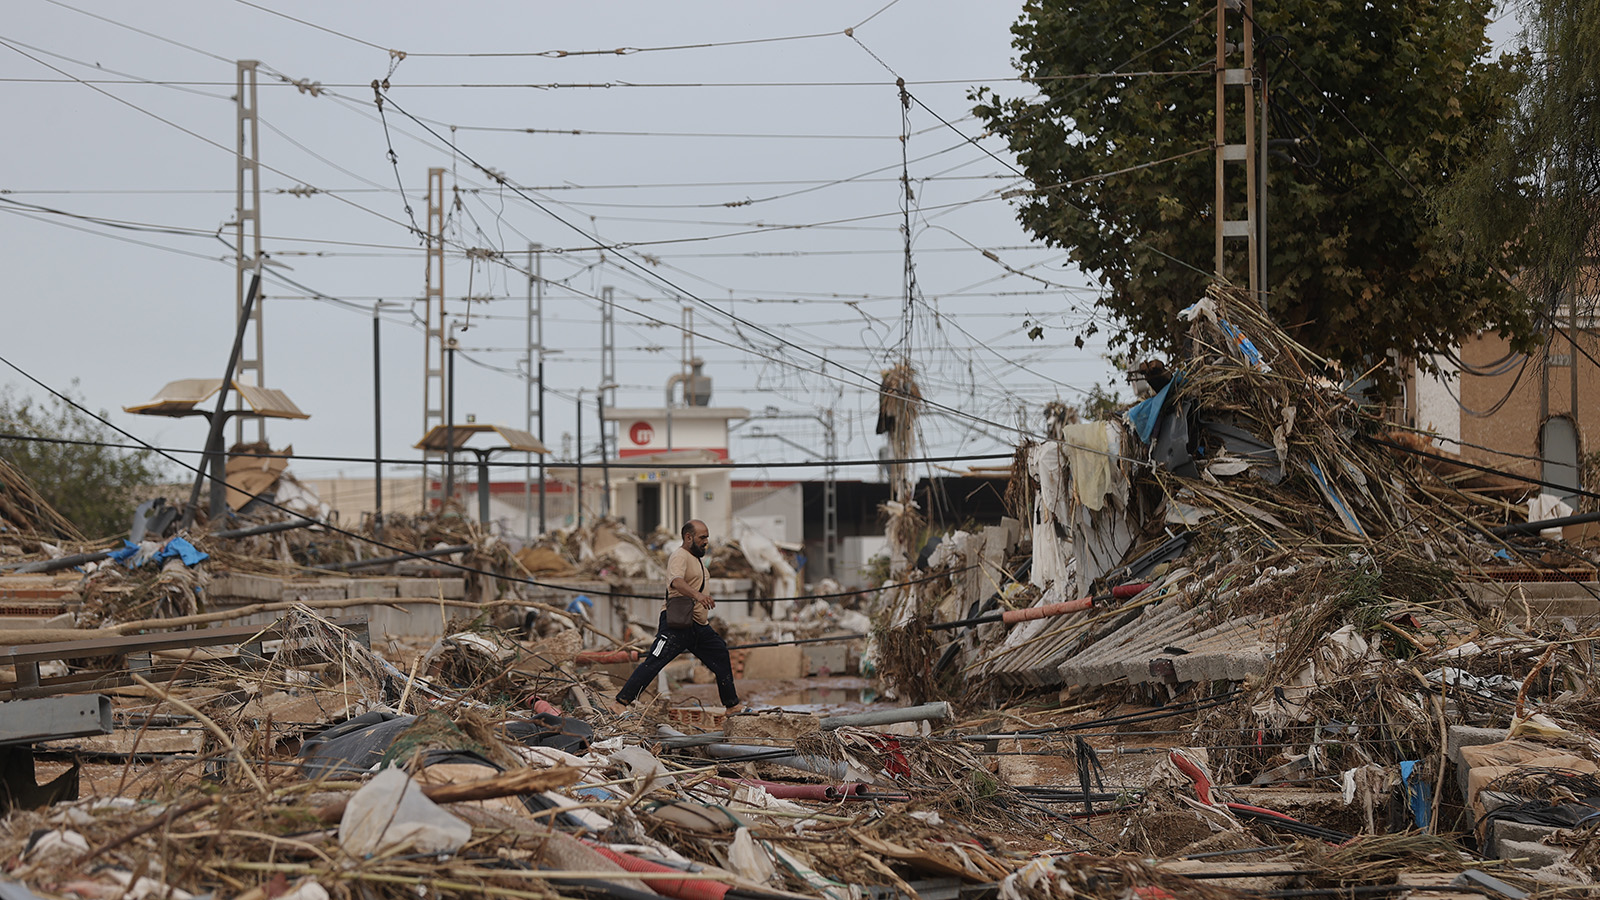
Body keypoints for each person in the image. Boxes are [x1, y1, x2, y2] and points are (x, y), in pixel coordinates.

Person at [613, 519, 743, 714]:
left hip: (698, 626)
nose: (706, 542)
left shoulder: (696, 559)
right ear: (688, 537)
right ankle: (620, 703)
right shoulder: (679, 556)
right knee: (654, 660)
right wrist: (698, 595)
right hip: (677, 625)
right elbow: (676, 581)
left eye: (707, 537)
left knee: (721, 654)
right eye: (702, 537)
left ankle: (732, 705)